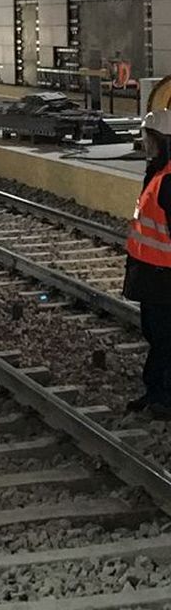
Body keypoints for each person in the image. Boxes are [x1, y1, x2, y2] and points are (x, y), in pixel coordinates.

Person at [124, 108, 171, 419]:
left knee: (165, 339)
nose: (145, 143)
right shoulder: (156, 174)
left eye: (149, 137)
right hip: (151, 275)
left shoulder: (168, 181)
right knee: (156, 336)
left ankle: (164, 399)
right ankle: (155, 393)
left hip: (164, 276)